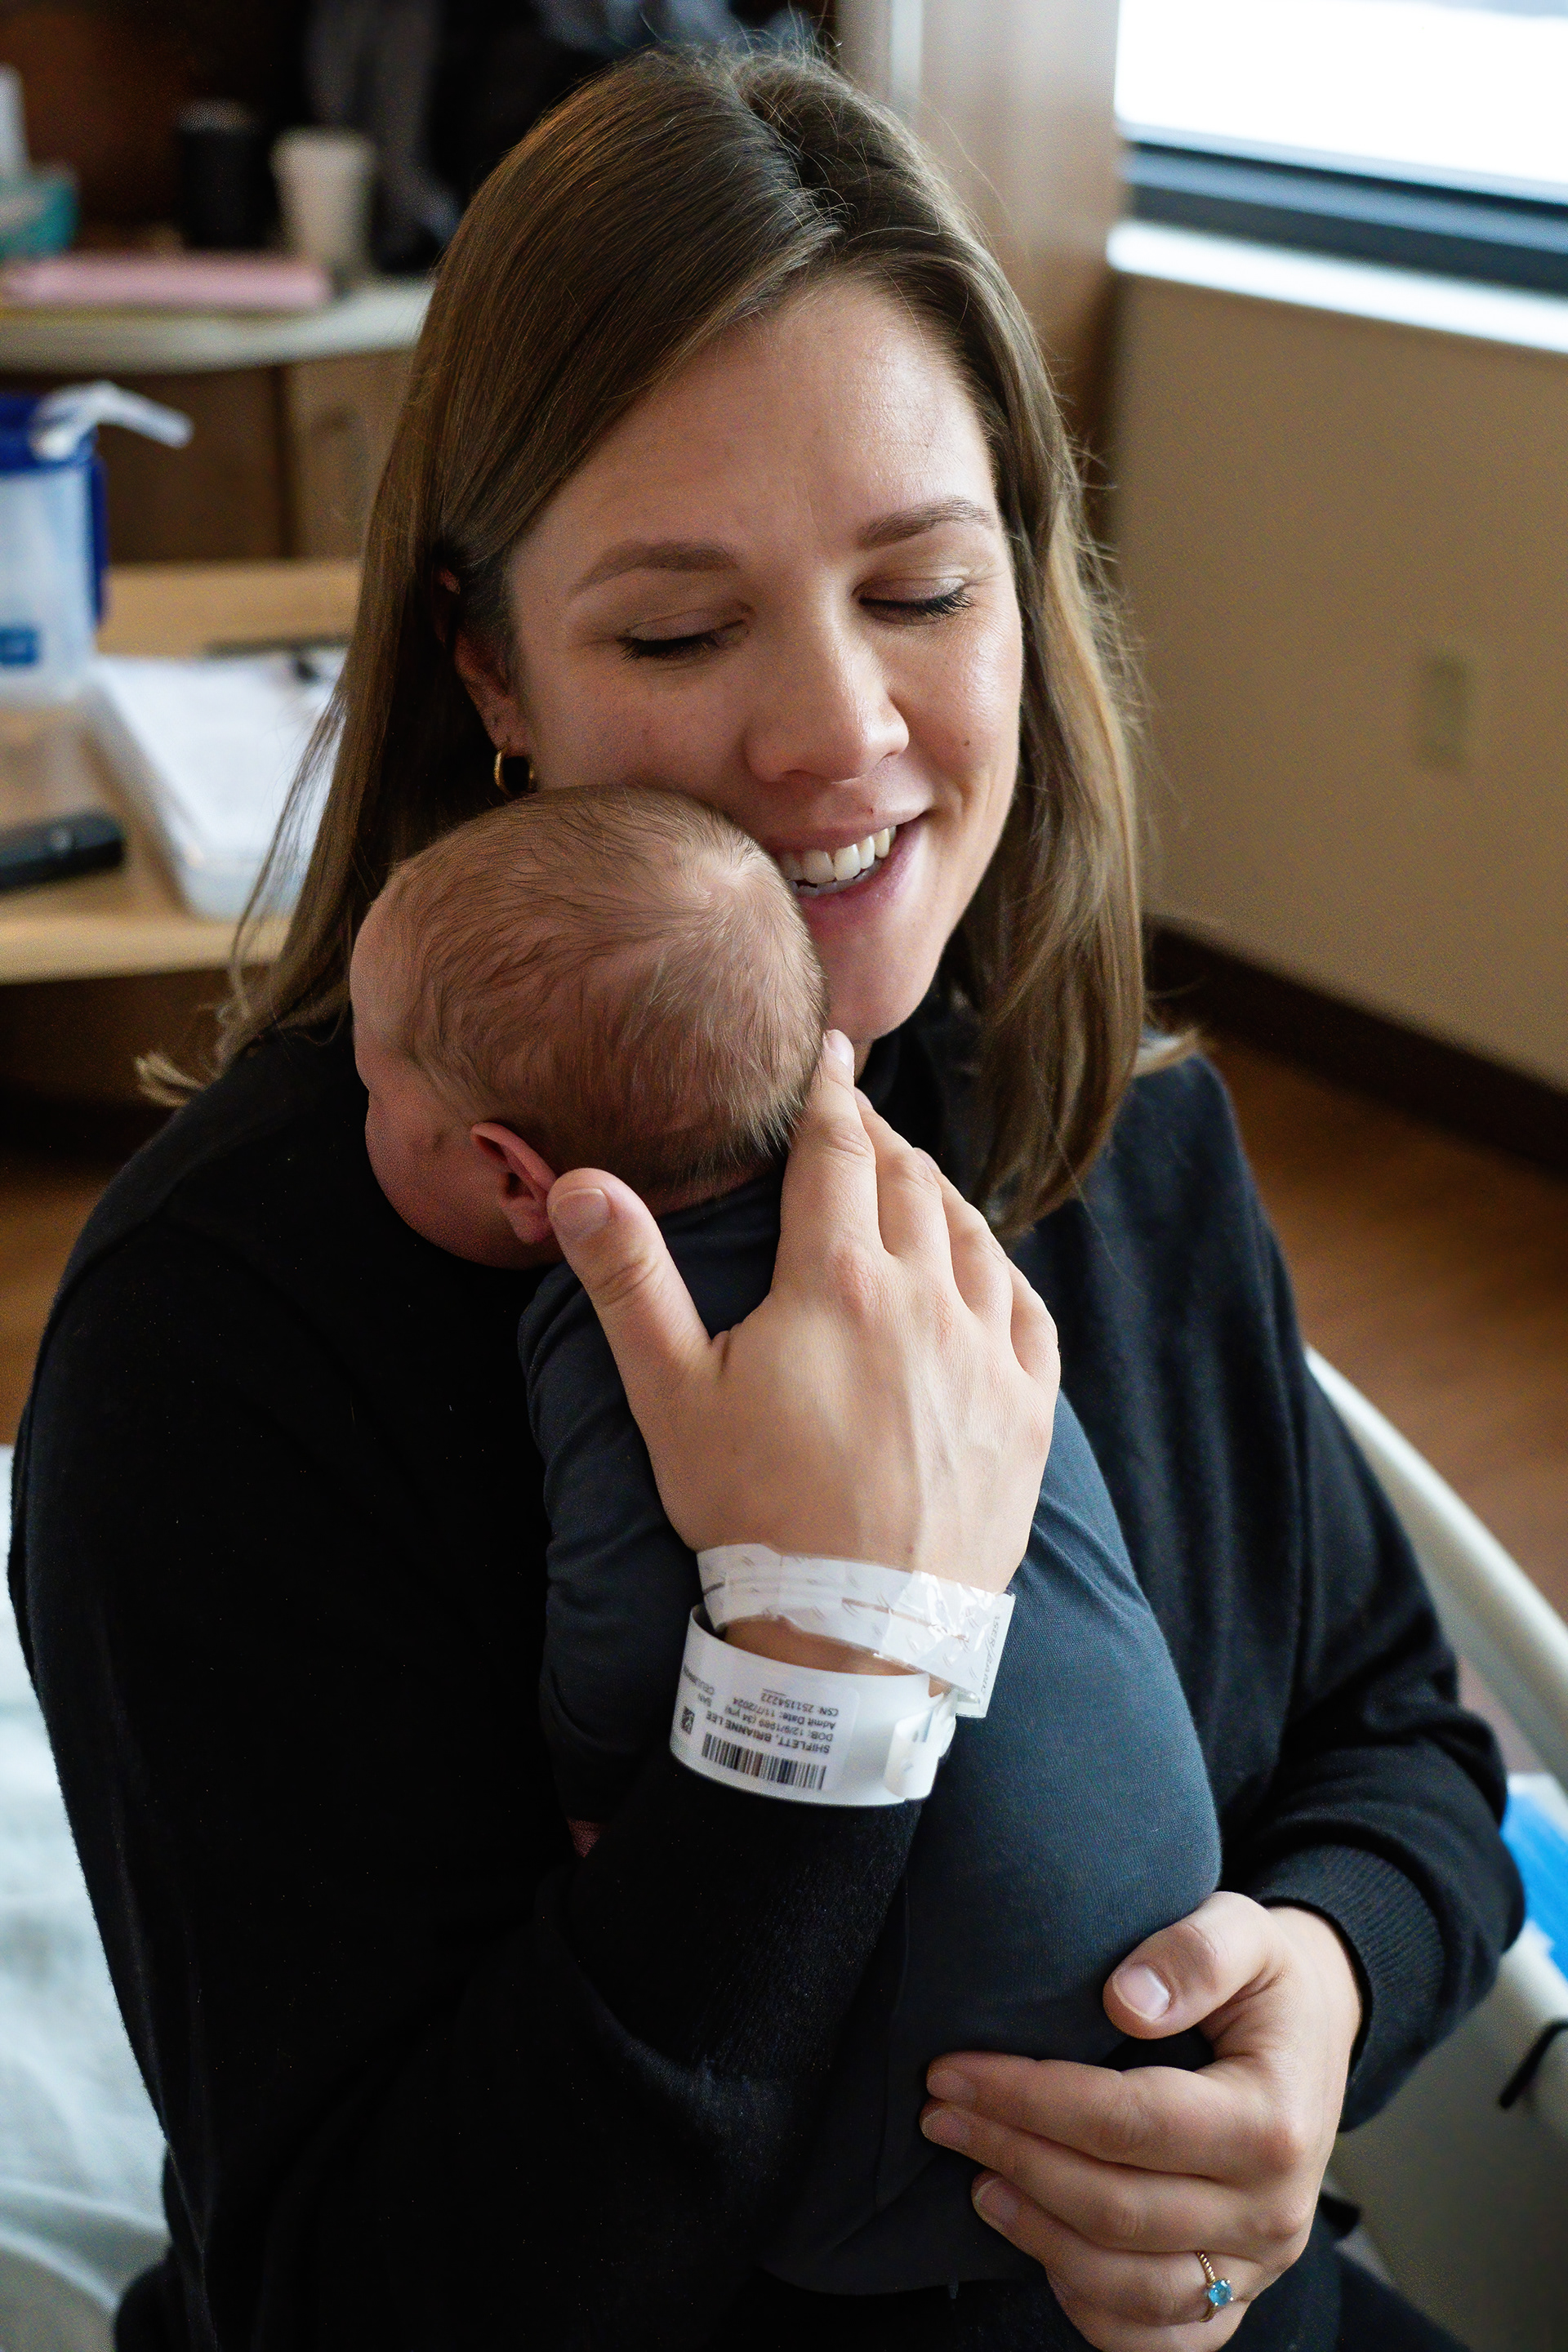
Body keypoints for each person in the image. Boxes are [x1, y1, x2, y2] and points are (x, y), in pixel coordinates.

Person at [10, 47, 1517, 2352]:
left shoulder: (1112, 1130)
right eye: (679, 631)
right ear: (489, 665)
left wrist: (1314, 2002)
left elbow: (1404, 1735)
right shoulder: (239, 1330)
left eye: (923, 586)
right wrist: (812, 1679)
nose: (839, 734)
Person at [349, 782, 1223, 2292]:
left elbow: (625, 1604)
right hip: (1169, 1864)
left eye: (371, 1097)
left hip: (975, 2012)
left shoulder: (608, 1322)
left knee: (840, 2203)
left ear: (511, 1173)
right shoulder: (922, 1244)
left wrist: (595, 1782)